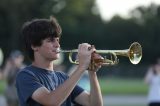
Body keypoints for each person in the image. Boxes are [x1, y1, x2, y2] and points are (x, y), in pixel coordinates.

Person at [16, 16, 103, 106]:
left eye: (57, 40)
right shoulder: (25, 75)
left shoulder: (63, 77)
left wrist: (92, 72)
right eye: (51, 40)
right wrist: (81, 67)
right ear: (34, 46)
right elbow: (51, 101)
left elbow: (94, 104)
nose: (57, 45)